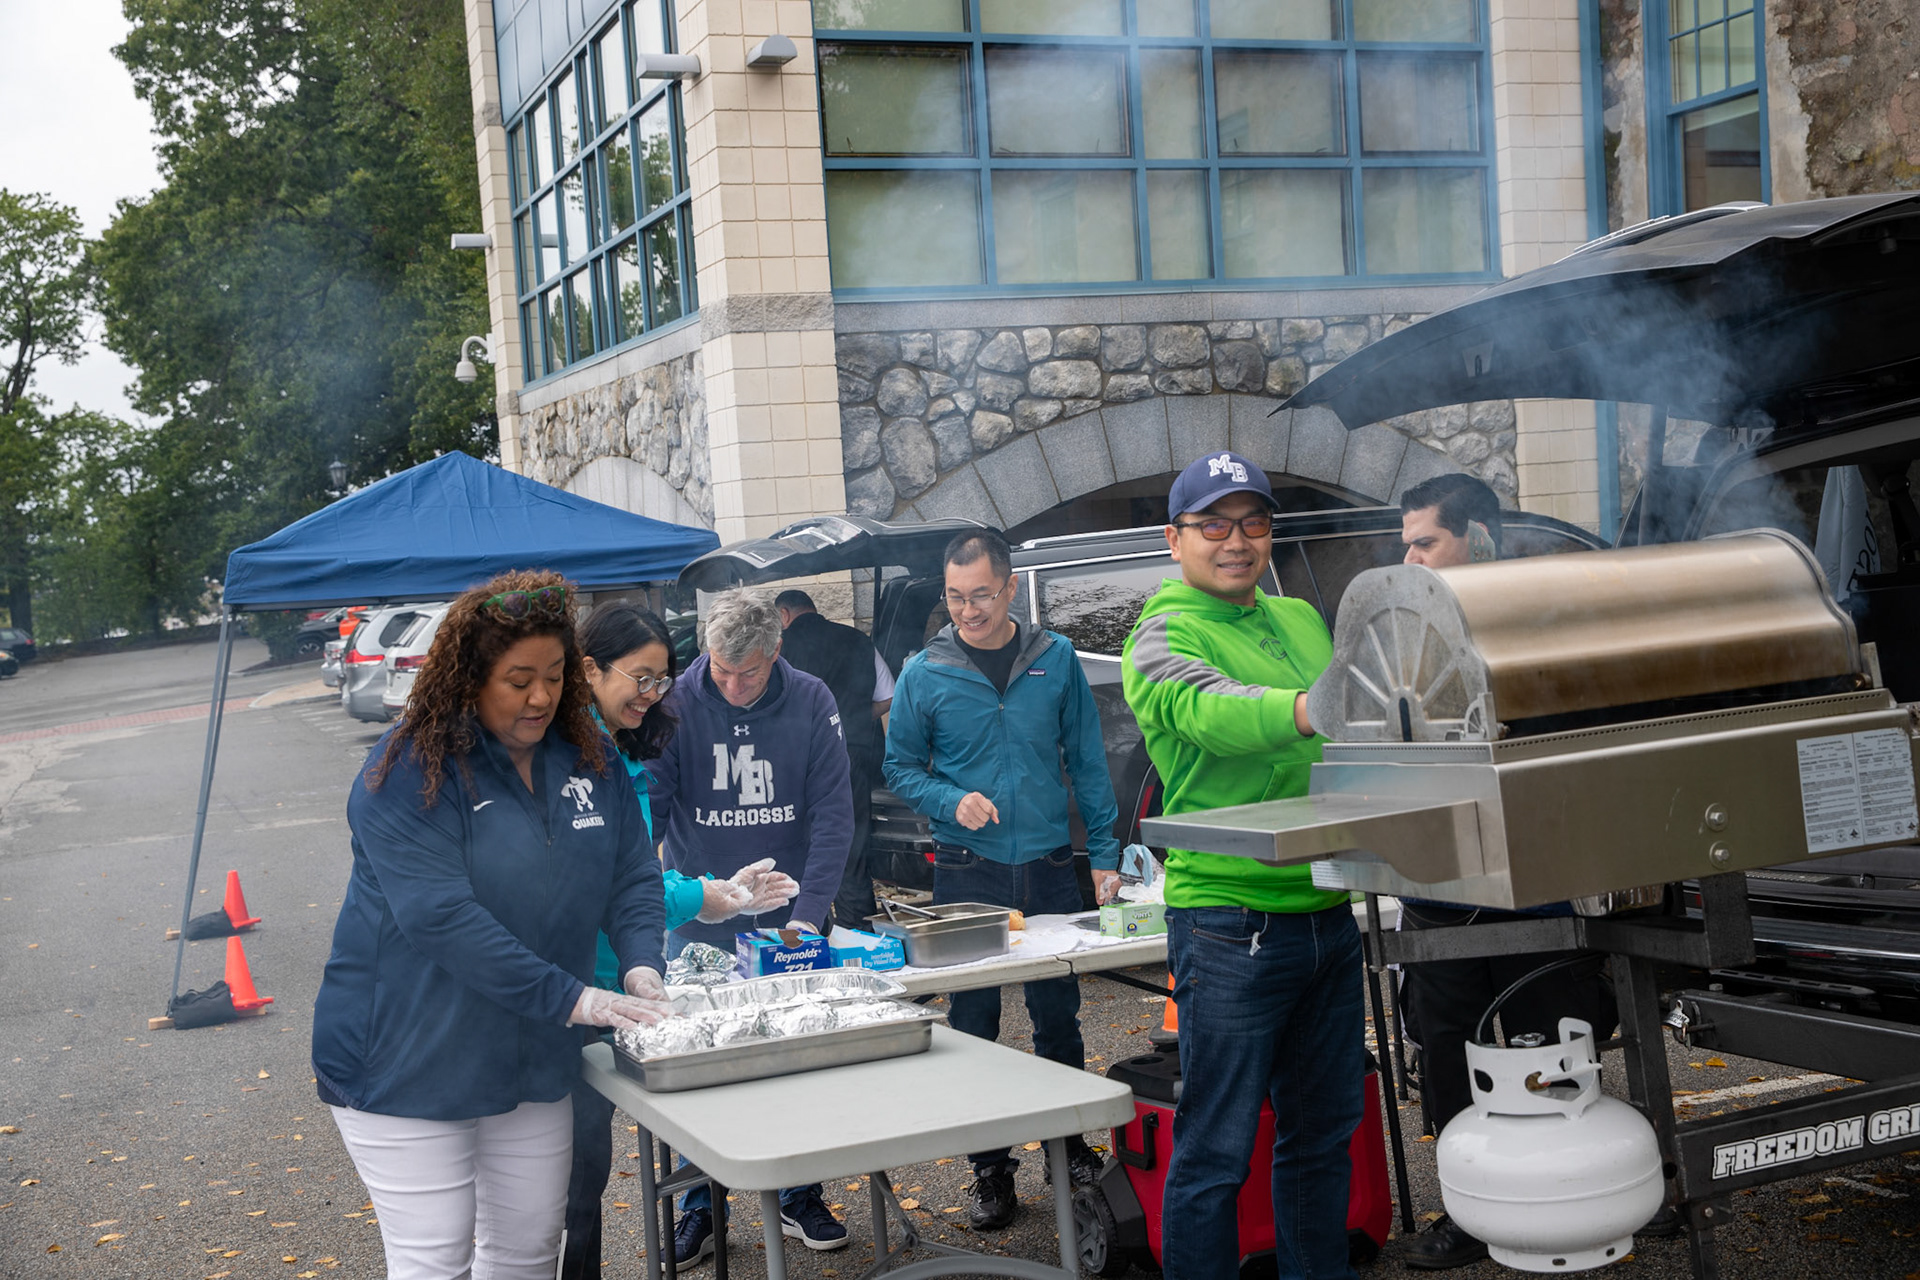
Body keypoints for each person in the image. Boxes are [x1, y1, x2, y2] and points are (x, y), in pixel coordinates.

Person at [312, 570, 673, 1280]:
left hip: (532, 1051)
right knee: (436, 1254)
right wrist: (578, 1000)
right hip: (408, 1056)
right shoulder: (408, 770)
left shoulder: (589, 758)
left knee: (529, 1249)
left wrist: (640, 963)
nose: (541, 697)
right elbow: (441, 917)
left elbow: (632, 875)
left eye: (554, 676)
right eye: (518, 680)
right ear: (470, 679)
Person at [1120, 451, 1363, 1280]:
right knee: (1217, 1150)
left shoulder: (1298, 617)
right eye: (1213, 524)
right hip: (1230, 924)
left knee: (1323, 1136)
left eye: (1253, 521)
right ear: (1175, 539)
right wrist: (1305, 707)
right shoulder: (1161, 633)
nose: (1236, 540)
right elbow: (1207, 709)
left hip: (1327, 906)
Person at [1394, 473, 1618, 1271]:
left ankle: (1592, 1193)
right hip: (1438, 883)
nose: (1410, 560)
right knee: (1448, 1050)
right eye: (1405, 544)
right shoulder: (1404, 632)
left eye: (1426, 542)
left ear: (1478, 537)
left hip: (1535, 879)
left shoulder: (1538, 612)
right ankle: (1467, 1212)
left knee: (1556, 1041)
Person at [883, 528, 1122, 1230]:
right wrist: (949, 800)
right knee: (974, 1025)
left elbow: (1087, 759)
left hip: (1048, 866)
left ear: (1011, 587)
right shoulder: (924, 672)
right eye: (955, 597)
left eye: (981, 595)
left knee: (1059, 1019)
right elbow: (899, 767)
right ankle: (990, 1169)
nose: (968, 610)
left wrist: (1104, 853)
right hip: (967, 871)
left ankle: (1067, 1145)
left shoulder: (1056, 657)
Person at [561, 603, 797, 1280]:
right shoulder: (568, 759)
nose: (653, 693)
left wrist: (710, 896)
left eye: (662, 679)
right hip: (570, 993)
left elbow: (634, 876)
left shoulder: (617, 750)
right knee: (566, 1188)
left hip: (611, 986)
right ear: (589, 670)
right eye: (641, 677)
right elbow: (598, 884)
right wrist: (700, 898)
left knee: (584, 1176)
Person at [646, 586, 855, 1262]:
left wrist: (808, 918)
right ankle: (700, 1205)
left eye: (750, 673)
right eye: (722, 671)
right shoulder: (676, 704)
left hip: (789, 916)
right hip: (701, 914)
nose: (734, 687)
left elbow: (833, 817)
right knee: (699, 1065)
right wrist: (663, 899)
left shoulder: (811, 700)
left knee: (794, 1057)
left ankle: (799, 1193)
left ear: (777, 650)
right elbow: (649, 812)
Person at [774, 588, 882, 927]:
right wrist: (856, 719)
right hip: (853, 754)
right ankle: (858, 934)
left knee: (797, 849)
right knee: (851, 849)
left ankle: (803, 932)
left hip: (797, 761)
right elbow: (888, 696)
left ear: (784, 615)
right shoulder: (859, 640)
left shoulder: (779, 648)